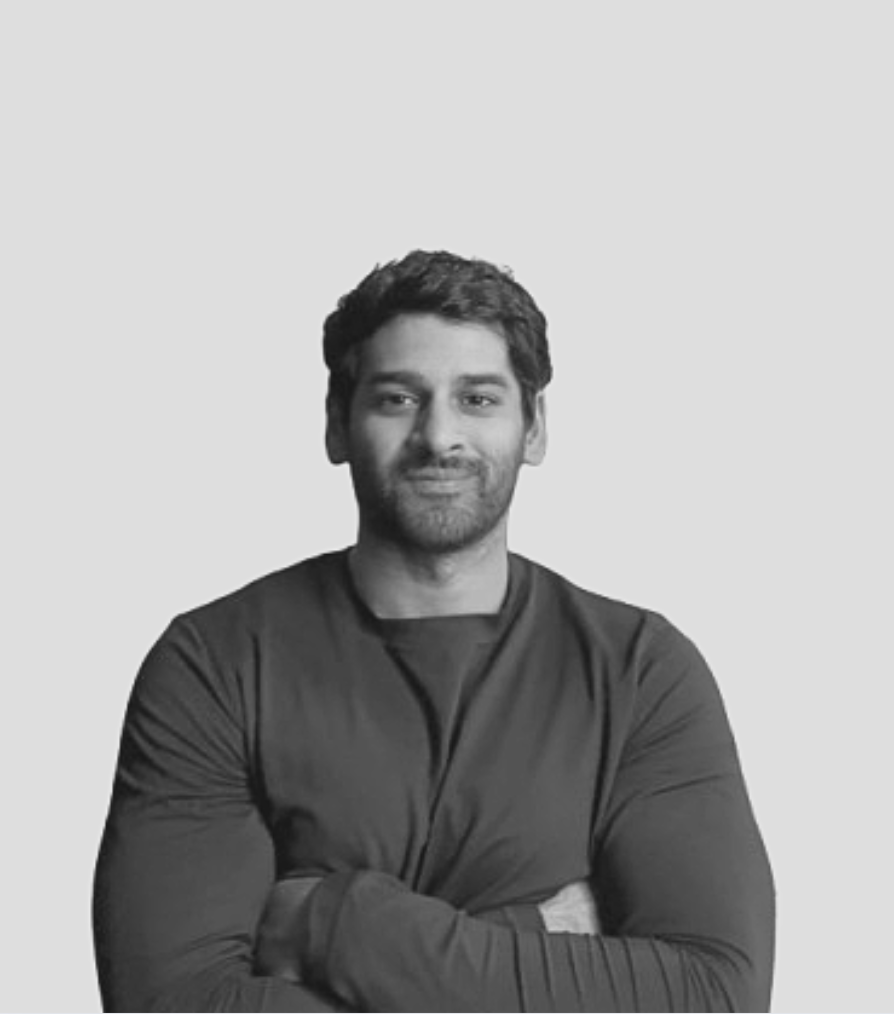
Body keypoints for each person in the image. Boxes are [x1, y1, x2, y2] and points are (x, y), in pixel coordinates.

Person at [93, 250, 775, 1012]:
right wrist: (534, 934)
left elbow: (715, 995)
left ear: (534, 428)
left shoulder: (641, 672)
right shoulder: (214, 665)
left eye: (478, 399)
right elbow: (171, 1004)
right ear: (337, 425)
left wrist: (331, 924)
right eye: (398, 399)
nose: (439, 435)